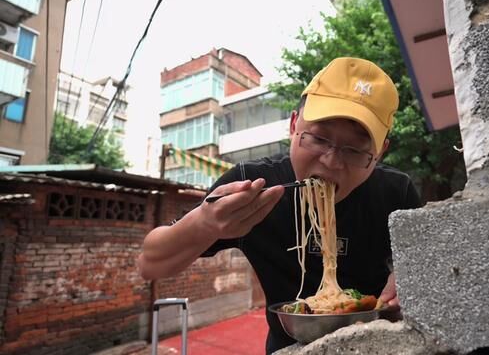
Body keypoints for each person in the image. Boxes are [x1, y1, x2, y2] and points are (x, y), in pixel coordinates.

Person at [138, 57, 422, 353]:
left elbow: (422, 271)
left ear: (379, 152)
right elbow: (150, 264)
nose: (332, 161)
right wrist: (205, 224)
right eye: (319, 138)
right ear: (293, 124)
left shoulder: (396, 194)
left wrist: (409, 278)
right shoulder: (253, 184)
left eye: (355, 149)